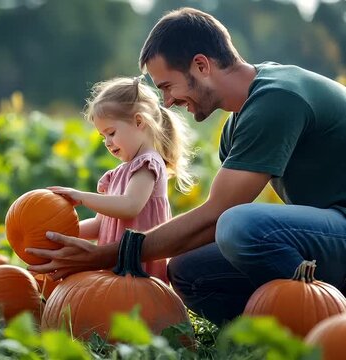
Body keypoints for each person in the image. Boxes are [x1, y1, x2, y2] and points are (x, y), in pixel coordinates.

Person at [26, 7, 346, 326]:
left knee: (240, 225)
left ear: (201, 65)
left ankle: (325, 322)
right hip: (327, 234)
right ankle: (269, 331)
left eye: (167, 86)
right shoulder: (237, 126)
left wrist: (110, 253)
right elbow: (207, 224)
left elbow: (219, 214)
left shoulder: (278, 99)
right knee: (187, 270)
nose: (166, 102)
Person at [47, 76, 194, 284]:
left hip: (137, 273)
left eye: (111, 133)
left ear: (138, 122)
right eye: (102, 136)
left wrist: (81, 197)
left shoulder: (148, 164)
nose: (107, 142)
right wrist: (62, 233)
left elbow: (130, 206)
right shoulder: (118, 173)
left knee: (130, 309)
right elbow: (100, 224)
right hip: (115, 271)